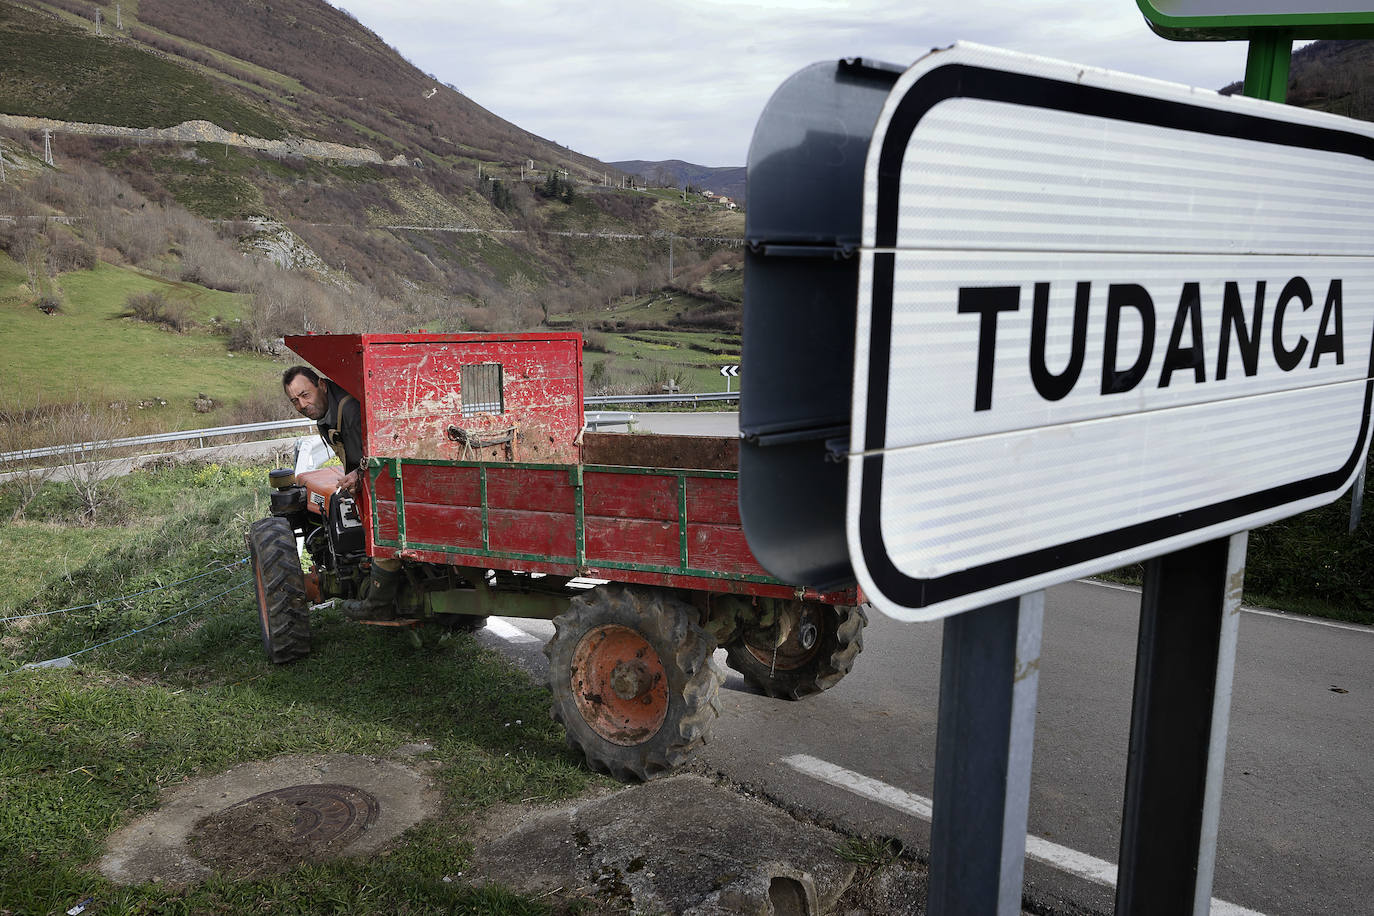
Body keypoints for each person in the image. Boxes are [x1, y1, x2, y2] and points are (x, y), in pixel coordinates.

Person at [281, 365, 402, 619]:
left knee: (384, 529)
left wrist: (359, 473)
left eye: (305, 394)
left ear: (321, 385)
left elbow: (373, 451)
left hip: (384, 478)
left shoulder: (348, 409)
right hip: (372, 475)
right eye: (294, 400)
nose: (301, 404)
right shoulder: (328, 411)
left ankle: (377, 604)